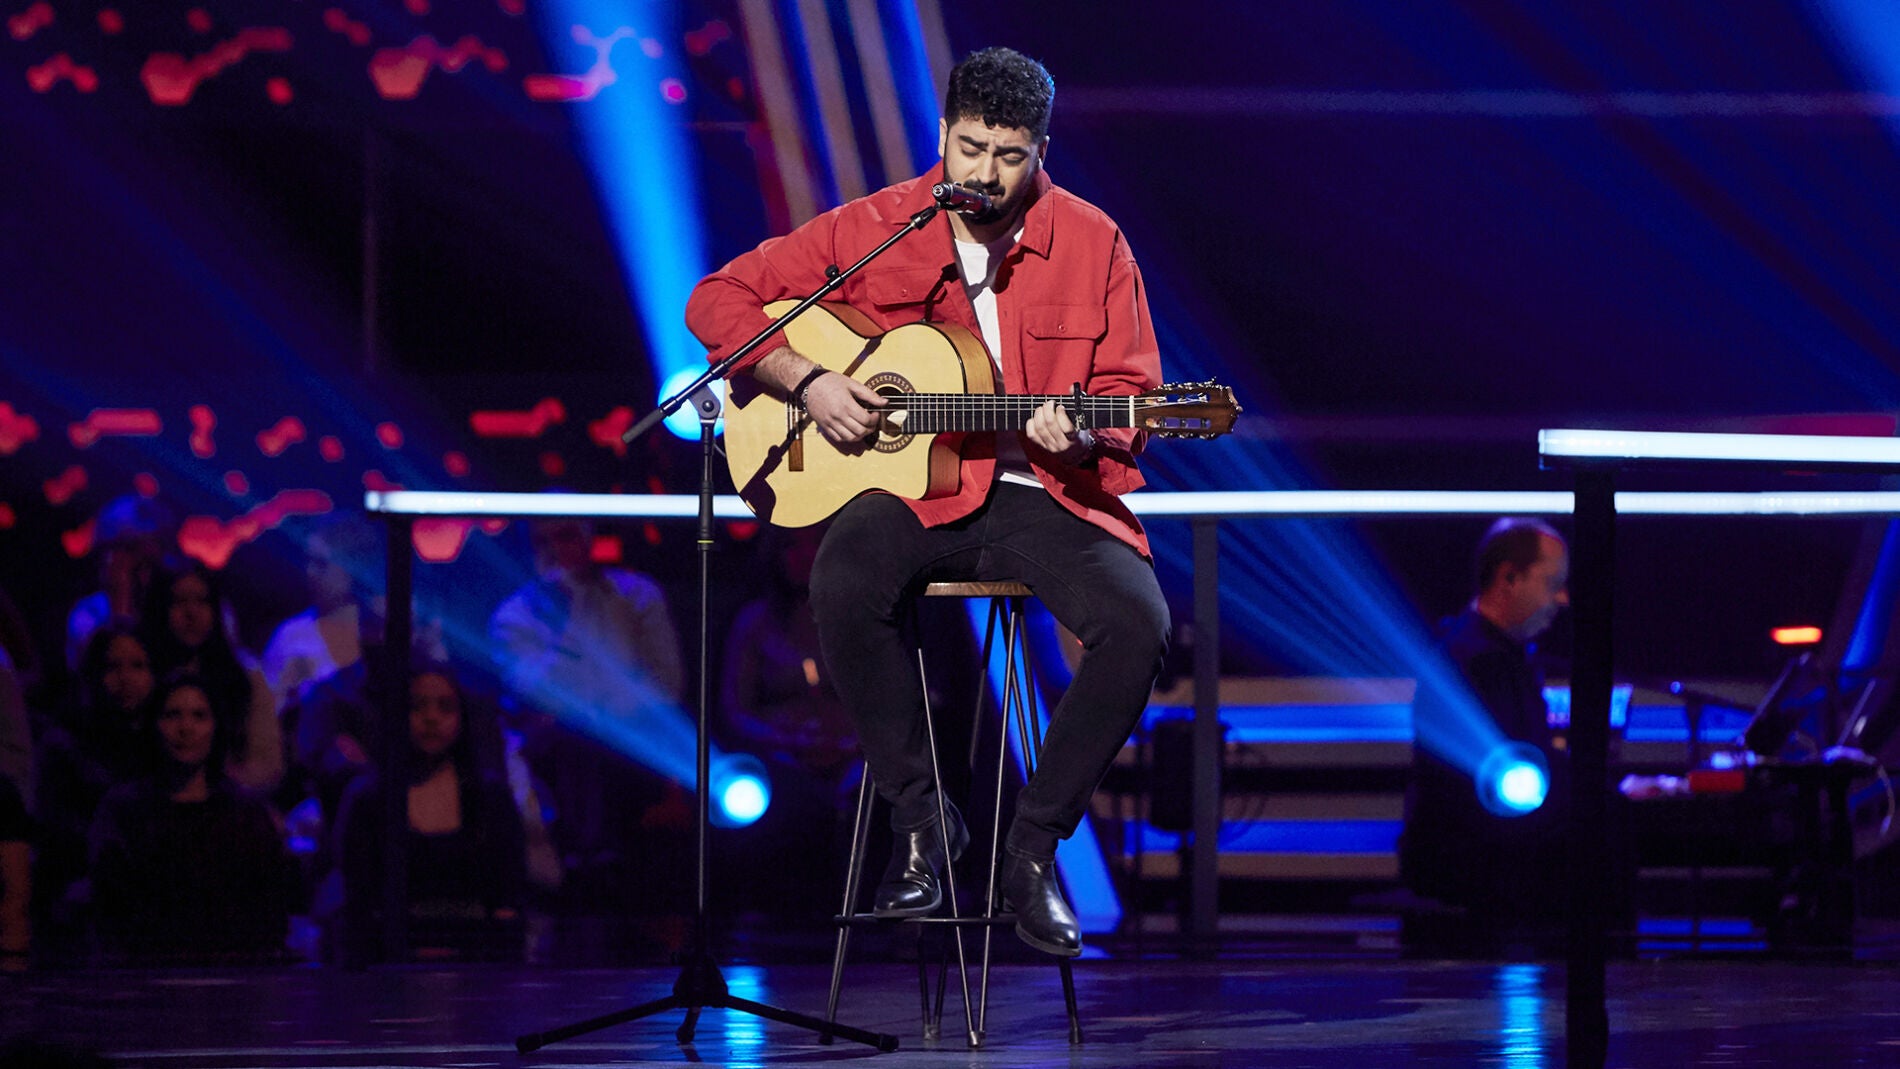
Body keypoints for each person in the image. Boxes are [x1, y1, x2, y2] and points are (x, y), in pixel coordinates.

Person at [685, 46, 1171, 957]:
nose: (985, 174)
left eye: (1009, 156)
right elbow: (719, 299)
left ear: (1040, 151)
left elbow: (1131, 391)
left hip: (1041, 491)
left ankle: (1031, 851)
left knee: (1137, 624)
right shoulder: (879, 223)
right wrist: (806, 379)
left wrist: (1087, 434)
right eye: (970, 148)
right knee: (843, 580)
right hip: (913, 492)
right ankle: (920, 822)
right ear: (942, 132)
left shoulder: (1094, 240)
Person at [1400, 518, 1572, 916]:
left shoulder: (1489, 653)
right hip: (1474, 870)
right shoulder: (1478, 661)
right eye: (1552, 583)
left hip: (1478, 858)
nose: (1563, 598)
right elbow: (1508, 787)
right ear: (1508, 577)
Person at [87, 671, 293, 963]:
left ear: (216, 727)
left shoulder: (246, 814)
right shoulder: (123, 811)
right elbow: (110, 912)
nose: (186, 728)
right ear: (154, 724)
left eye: (199, 716)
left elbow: (268, 913)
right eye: (173, 715)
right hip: (145, 974)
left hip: (232, 973)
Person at [328, 666, 525, 965]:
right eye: (417, 706)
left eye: (445, 707)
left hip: (476, 961)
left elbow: (508, 895)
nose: (431, 718)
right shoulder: (367, 797)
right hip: (389, 960)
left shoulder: (490, 796)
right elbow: (357, 899)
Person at [141, 561, 282, 794]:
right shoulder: (140, 674)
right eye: (179, 602)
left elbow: (267, 765)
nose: (191, 613)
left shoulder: (244, 678)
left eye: (202, 601)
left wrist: (215, 790)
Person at [262, 514, 384, 714]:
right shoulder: (290, 636)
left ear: (354, 570)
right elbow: (268, 712)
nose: (310, 572)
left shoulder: (381, 632)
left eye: (321, 564)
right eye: (308, 562)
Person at [66, 494, 176, 671]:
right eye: (129, 549)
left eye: (150, 559)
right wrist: (121, 608)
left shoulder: (182, 605)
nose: (140, 566)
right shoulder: (90, 612)